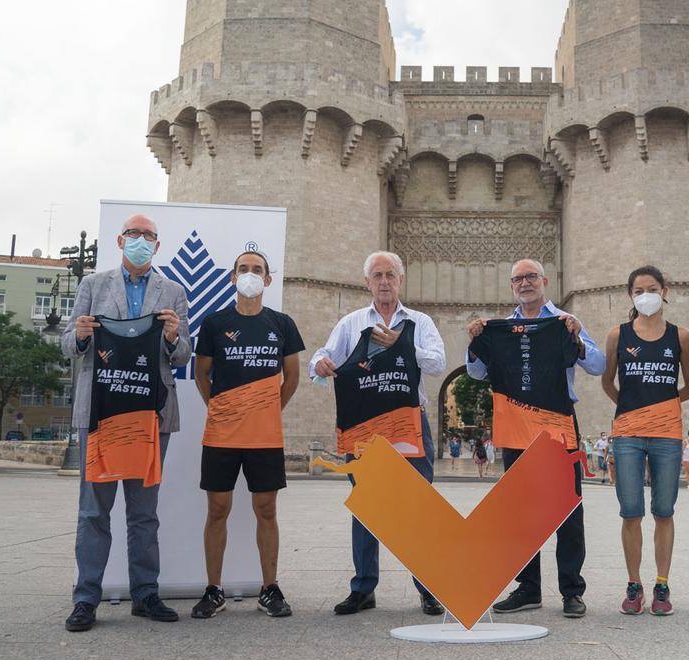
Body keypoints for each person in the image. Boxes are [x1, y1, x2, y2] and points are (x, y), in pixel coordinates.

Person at [62, 213, 191, 632]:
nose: (140, 240)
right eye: (133, 234)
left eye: (148, 235)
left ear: (157, 245)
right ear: (120, 241)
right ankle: (85, 599)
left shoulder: (173, 292)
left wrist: (173, 337)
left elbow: (183, 356)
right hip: (100, 414)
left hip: (151, 417)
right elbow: (68, 345)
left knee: (143, 513)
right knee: (93, 512)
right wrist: (81, 334)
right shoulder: (92, 285)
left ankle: (145, 594)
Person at [466, 258, 605, 619]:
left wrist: (576, 338)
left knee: (568, 508)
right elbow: (477, 372)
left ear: (544, 280)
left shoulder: (563, 323)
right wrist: (475, 342)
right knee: (518, 509)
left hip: (557, 423)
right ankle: (528, 588)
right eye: (517, 279)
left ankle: (572, 591)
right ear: (512, 286)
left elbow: (598, 365)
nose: (525, 283)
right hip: (515, 426)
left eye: (530, 277)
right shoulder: (501, 328)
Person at [311, 251, 446, 617]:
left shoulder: (419, 322)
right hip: (366, 428)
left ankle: (429, 588)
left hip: (408, 422)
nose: (384, 281)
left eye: (390, 275)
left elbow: (438, 362)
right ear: (366, 283)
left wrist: (401, 346)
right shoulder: (351, 323)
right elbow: (322, 358)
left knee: (418, 507)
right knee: (368, 507)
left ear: (400, 281)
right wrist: (319, 365)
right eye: (377, 275)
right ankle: (363, 588)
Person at [190, 251, 304, 620]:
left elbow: (293, 377)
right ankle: (214, 590)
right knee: (217, 509)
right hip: (221, 435)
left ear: (268, 280)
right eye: (244, 269)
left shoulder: (282, 324)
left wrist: (268, 409)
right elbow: (201, 375)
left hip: (265, 436)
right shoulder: (213, 323)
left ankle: (269, 588)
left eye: (257, 270)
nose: (250, 275)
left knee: (266, 509)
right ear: (232, 277)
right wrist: (222, 409)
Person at [601, 266, 689, 616]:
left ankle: (661, 583)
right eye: (639, 289)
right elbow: (607, 382)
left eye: (652, 288)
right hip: (627, 432)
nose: (646, 294)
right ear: (630, 295)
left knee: (664, 510)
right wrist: (632, 409)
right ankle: (633, 584)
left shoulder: (681, 336)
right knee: (630, 511)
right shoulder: (618, 334)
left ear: (664, 291)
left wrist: (663, 407)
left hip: (667, 434)